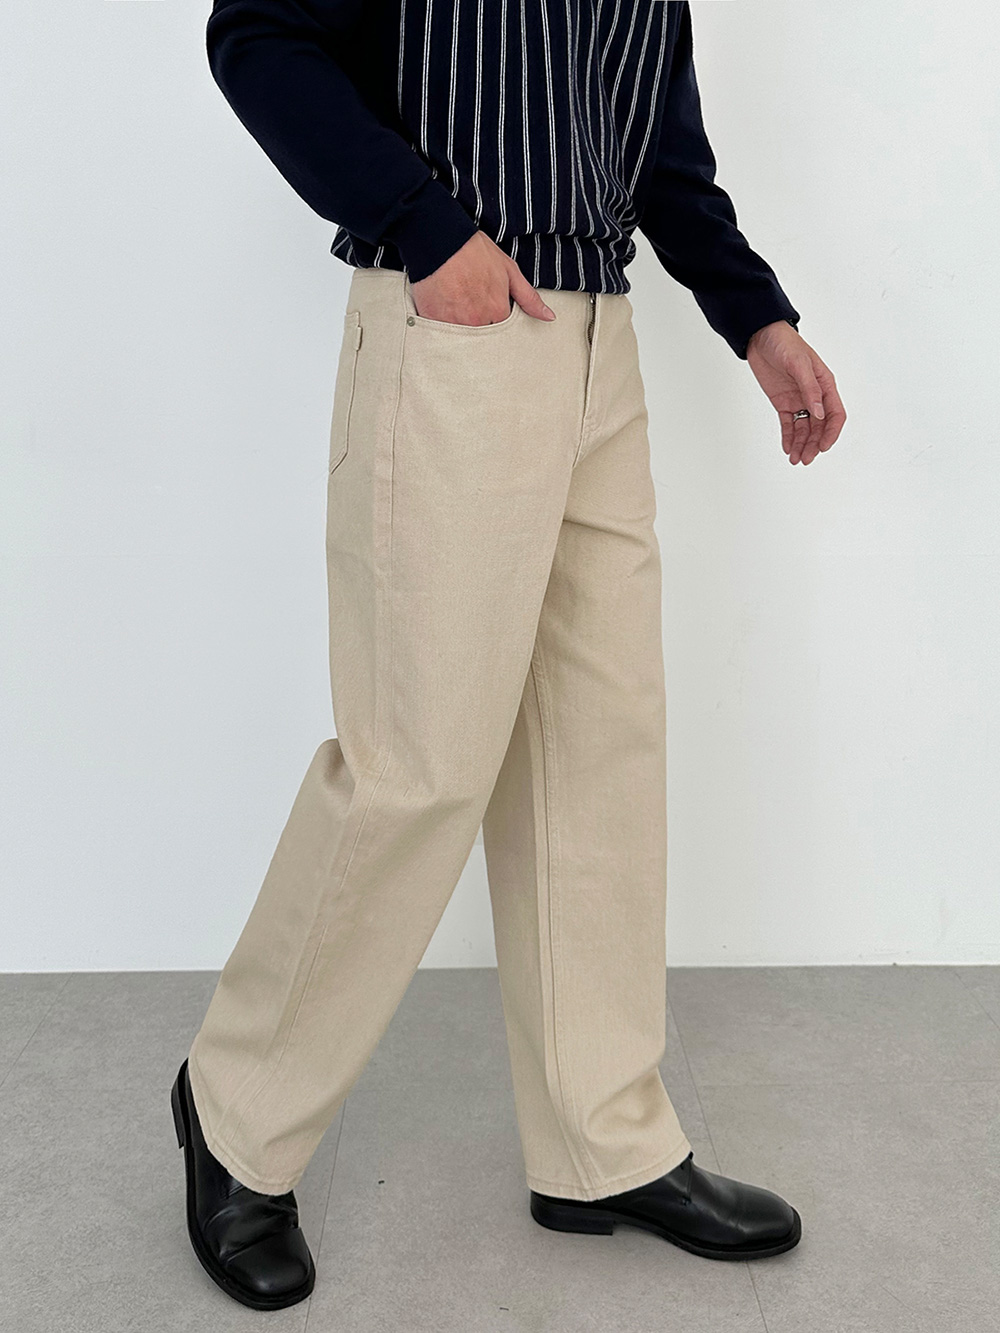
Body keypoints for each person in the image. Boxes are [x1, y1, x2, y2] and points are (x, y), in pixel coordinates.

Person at [170, 0, 846, 1310]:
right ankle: (234, 1112)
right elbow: (257, 36)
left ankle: (603, 1142)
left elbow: (656, 150)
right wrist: (429, 230)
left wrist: (758, 317)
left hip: (600, 343)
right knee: (419, 763)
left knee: (599, 752)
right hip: (456, 333)